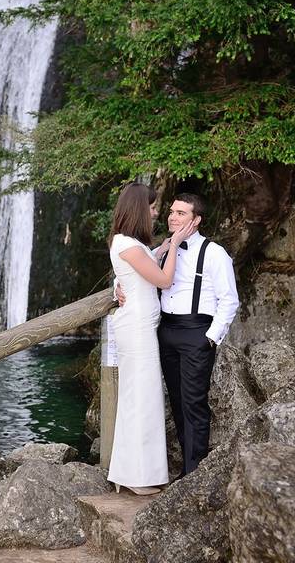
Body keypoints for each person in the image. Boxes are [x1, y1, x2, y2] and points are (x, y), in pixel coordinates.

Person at [117, 193, 239, 477]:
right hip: (165, 331)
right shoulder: (161, 248)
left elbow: (229, 300)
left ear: (196, 220)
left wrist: (210, 337)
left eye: (181, 213)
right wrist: (117, 287)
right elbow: (134, 271)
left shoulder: (214, 253)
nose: (173, 217)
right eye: (172, 211)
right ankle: (185, 468)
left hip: (196, 332)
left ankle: (194, 475)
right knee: (176, 402)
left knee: (194, 402)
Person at [107, 183, 195, 495]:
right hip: (137, 329)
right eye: (153, 207)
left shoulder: (129, 242)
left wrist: (164, 246)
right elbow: (163, 278)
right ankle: (135, 477)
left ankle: (131, 473)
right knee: (141, 399)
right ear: (139, 209)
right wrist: (175, 246)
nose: (156, 212)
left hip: (142, 326)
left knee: (141, 397)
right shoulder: (127, 244)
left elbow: (139, 266)